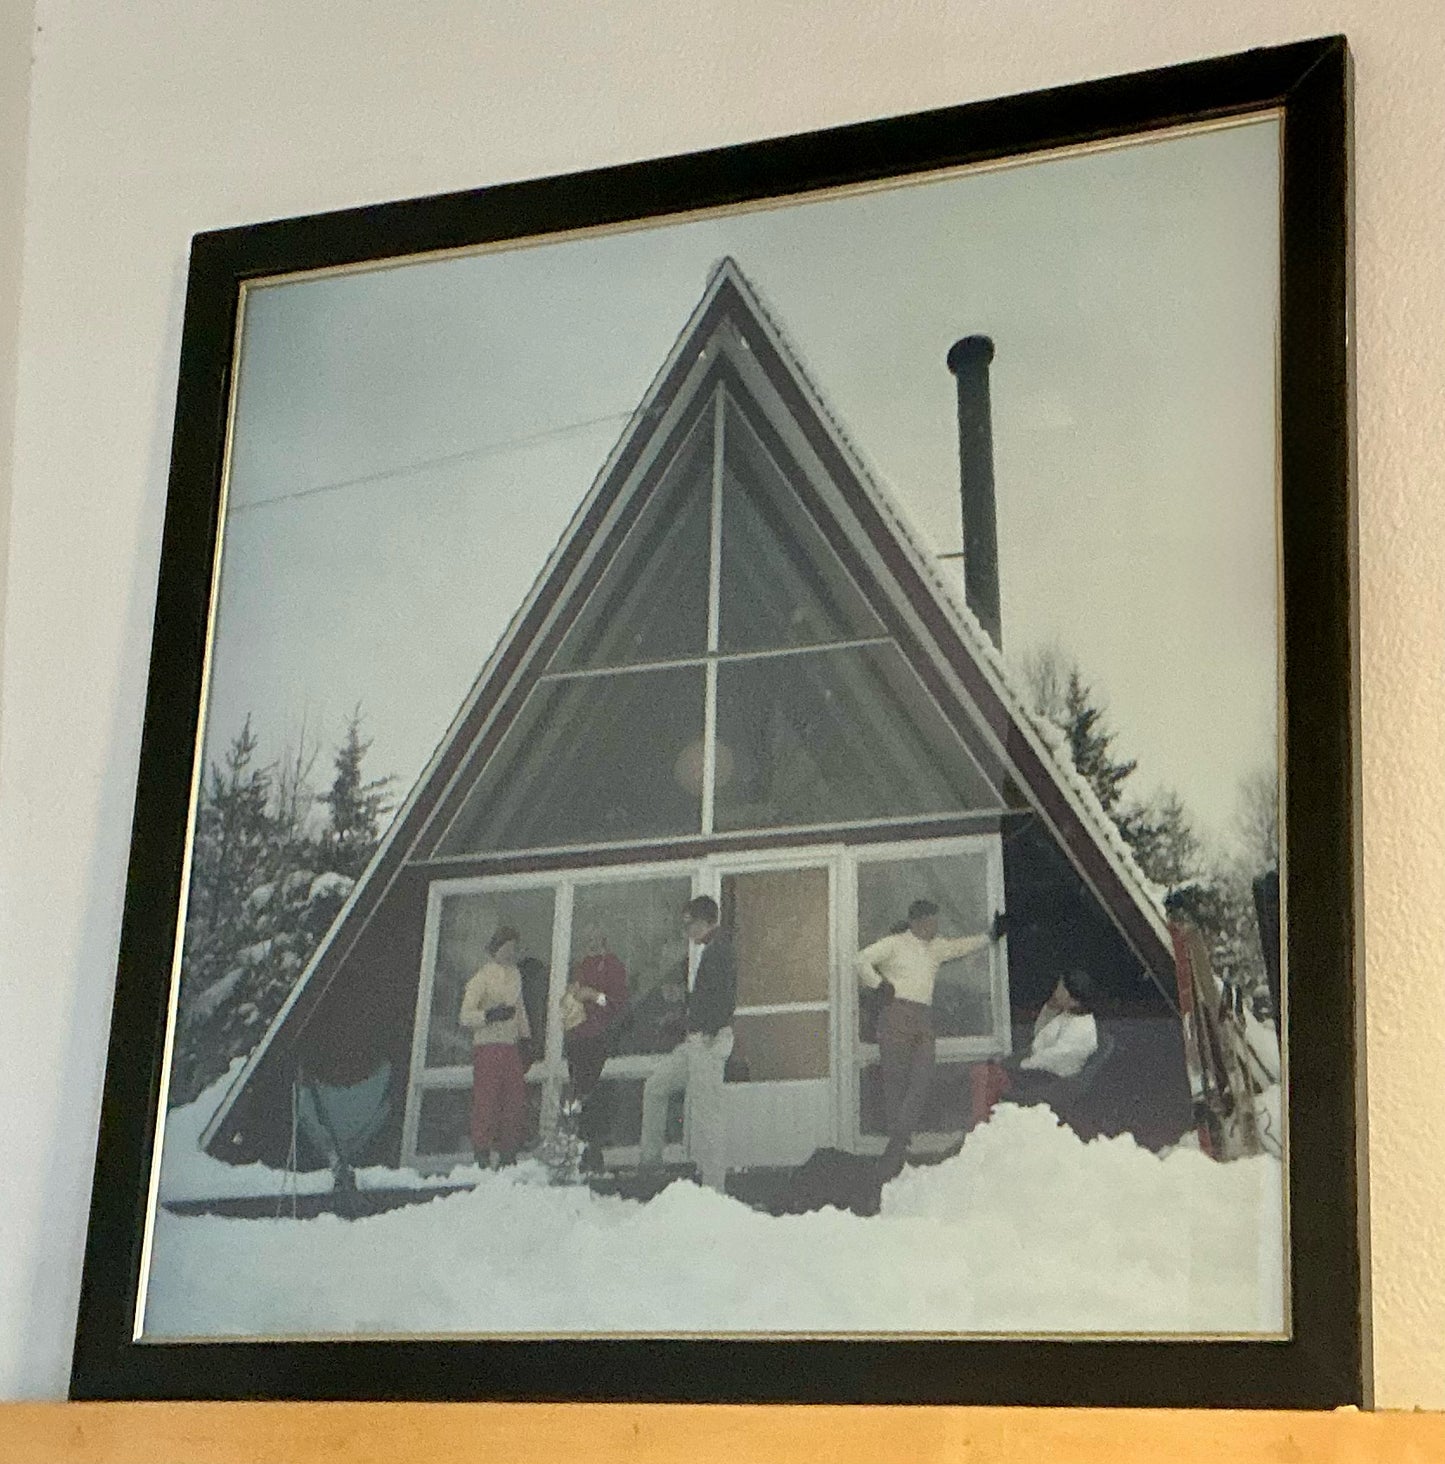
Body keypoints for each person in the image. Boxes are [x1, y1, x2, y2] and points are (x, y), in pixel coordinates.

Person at [857, 898, 1006, 1177]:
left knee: (922, 1078)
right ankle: (896, 1153)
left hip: (923, 1017)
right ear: (915, 922)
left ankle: (898, 1140)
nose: (934, 926)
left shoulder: (936, 947)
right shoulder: (895, 943)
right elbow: (861, 959)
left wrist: (990, 936)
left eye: (936, 921)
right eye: (929, 921)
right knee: (896, 1083)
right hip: (896, 1013)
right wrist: (879, 985)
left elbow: (961, 946)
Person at [638, 895, 737, 1191]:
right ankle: (651, 1161)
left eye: (689, 924)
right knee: (656, 1086)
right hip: (698, 1041)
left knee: (708, 1115)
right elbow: (710, 997)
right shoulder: (714, 950)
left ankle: (714, 1188)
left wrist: (709, 1029)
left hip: (708, 1042)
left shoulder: (719, 951)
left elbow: (726, 997)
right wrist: (685, 1002)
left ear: (706, 922)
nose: (687, 931)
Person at [458, 925, 533, 1168]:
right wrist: (489, 1015)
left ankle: (508, 1151)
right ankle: (482, 1152)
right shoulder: (482, 977)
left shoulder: (516, 975)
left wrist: (526, 1038)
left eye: (513, 947)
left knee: (513, 1098)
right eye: (506, 947)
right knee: (487, 1099)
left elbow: (519, 1009)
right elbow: (465, 1016)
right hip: (487, 1046)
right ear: (496, 948)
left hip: (510, 1046)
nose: (510, 952)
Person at [561, 926, 628, 1170]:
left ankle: (594, 1150)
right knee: (579, 1092)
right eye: (586, 940)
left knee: (597, 1096)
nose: (590, 944)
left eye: (594, 939)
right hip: (578, 1037)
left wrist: (594, 995)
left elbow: (615, 1004)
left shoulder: (613, 966)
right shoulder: (581, 967)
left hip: (602, 1039)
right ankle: (577, 1146)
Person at [999, 967, 1100, 1106]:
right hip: (1039, 1070)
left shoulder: (1082, 1028)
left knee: (987, 1077)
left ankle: (982, 1120)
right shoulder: (1067, 1015)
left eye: (1061, 988)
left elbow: (1056, 1058)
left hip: (1054, 1079)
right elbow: (1040, 1035)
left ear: (1073, 999)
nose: (1056, 991)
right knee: (986, 1073)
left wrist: (1023, 1064)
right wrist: (1050, 1009)